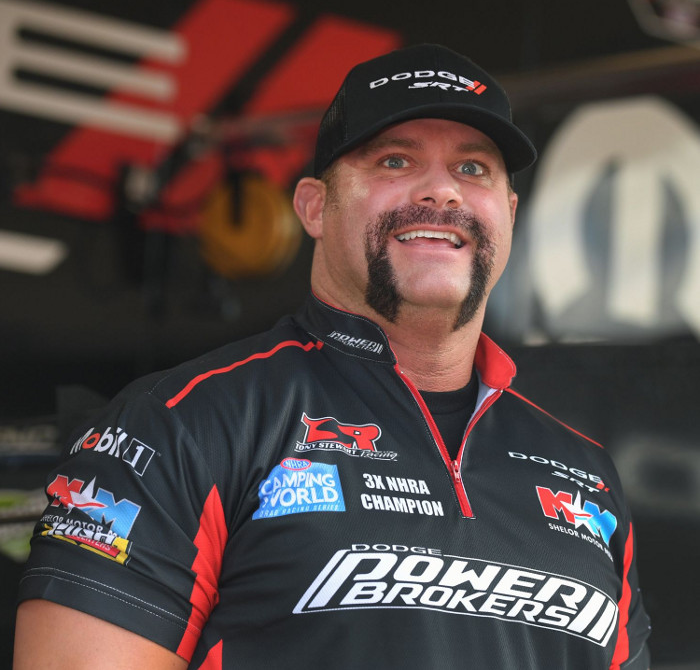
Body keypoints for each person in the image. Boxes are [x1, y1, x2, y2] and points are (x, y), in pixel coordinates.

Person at [14, 44, 650, 669]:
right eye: (396, 160)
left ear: (509, 213)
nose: (442, 191)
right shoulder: (181, 424)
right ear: (314, 208)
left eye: (473, 168)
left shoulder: (585, 475)